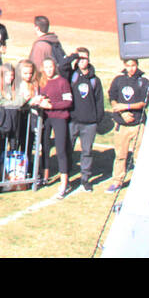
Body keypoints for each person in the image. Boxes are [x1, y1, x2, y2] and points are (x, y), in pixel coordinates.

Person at [60, 48, 105, 192]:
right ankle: (66, 177)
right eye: (79, 59)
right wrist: (74, 56)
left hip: (89, 123)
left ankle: (85, 179)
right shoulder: (71, 75)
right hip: (73, 121)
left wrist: (96, 120)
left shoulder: (94, 80)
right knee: (68, 150)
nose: (82, 61)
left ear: (89, 60)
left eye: (85, 58)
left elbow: (99, 102)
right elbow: (62, 66)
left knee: (87, 152)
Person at [107, 58, 149, 192]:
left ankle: (142, 182)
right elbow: (112, 98)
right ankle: (117, 181)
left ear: (137, 65)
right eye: (128, 65)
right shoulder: (118, 80)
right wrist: (121, 112)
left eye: (133, 65)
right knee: (121, 155)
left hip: (138, 124)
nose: (131, 68)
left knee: (140, 155)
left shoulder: (143, 82)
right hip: (122, 125)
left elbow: (144, 103)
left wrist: (126, 106)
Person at [38, 59, 74, 199]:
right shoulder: (42, 81)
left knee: (61, 149)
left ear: (55, 67)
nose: (48, 69)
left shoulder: (62, 82)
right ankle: (45, 176)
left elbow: (68, 102)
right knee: (45, 147)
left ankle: (64, 182)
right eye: (46, 67)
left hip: (59, 118)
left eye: (51, 66)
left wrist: (52, 106)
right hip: (45, 118)